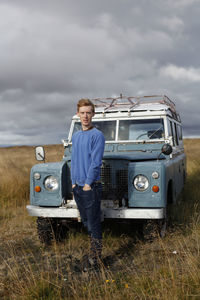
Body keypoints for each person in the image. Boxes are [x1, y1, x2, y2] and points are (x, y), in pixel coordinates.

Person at [71, 98, 105, 271]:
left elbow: (95, 162)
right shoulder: (76, 135)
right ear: (78, 114)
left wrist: (87, 184)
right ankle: (92, 252)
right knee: (85, 221)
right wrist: (73, 183)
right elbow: (74, 160)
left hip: (90, 187)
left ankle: (96, 259)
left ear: (93, 114)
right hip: (77, 187)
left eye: (88, 113)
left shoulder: (97, 135)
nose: (85, 116)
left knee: (93, 222)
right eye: (82, 113)